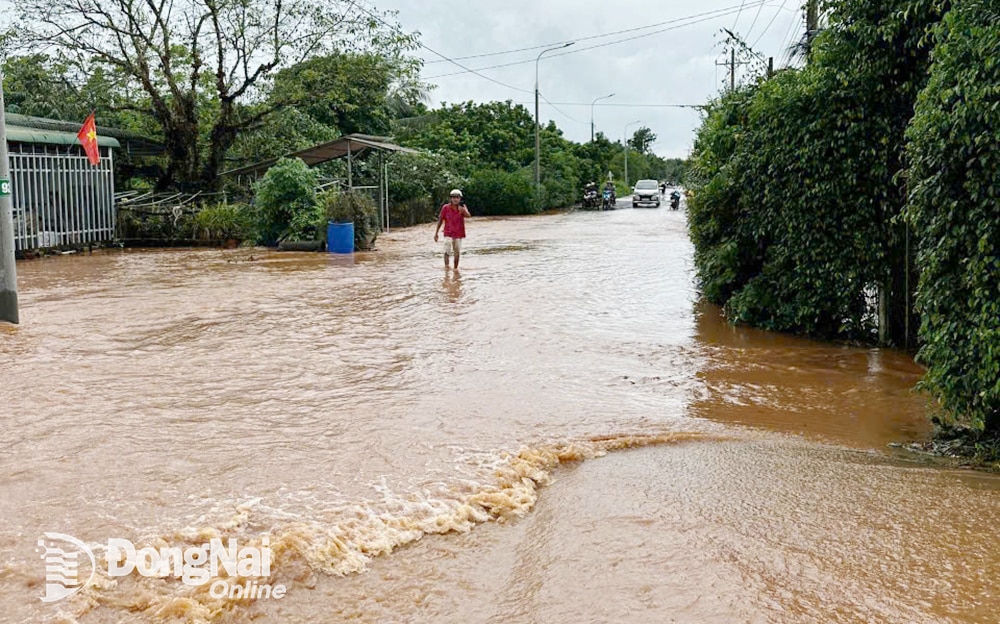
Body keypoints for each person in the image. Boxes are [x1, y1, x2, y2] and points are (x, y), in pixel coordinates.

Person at [434, 189, 471, 269]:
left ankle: (455, 269)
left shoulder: (461, 209)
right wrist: (436, 233)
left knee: (457, 252)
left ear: (460, 199)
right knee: (446, 251)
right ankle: (447, 268)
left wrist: (465, 209)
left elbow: (468, 216)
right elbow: (440, 220)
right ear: (450, 198)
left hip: (458, 234)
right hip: (448, 233)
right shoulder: (445, 208)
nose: (455, 199)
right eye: (453, 197)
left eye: (457, 197)